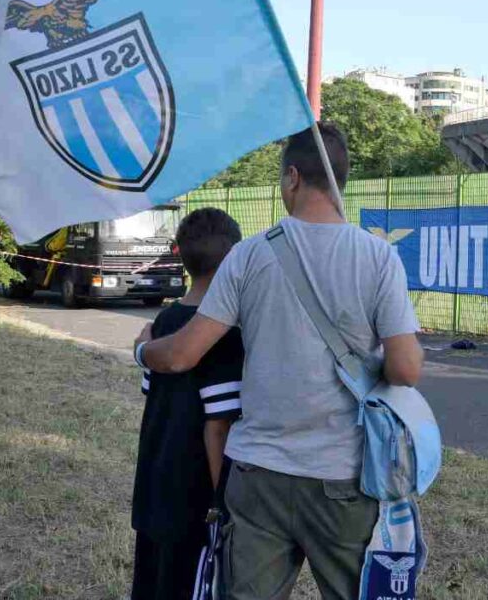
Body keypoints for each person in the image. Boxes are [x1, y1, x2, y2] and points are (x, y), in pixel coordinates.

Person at [139, 123, 425, 600]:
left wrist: (142, 350)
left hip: (257, 476)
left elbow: (181, 354)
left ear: (292, 177)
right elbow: (405, 371)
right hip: (344, 478)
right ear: (341, 179)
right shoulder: (378, 257)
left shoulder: (248, 255)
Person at [130, 208, 245, 599]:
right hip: (194, 500)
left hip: (154, 483)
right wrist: (222, 503)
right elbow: (218, 426)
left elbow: (154, 395)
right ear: (235, 261)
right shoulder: (225, 335)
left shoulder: (162, 323)